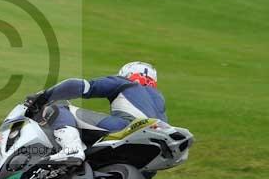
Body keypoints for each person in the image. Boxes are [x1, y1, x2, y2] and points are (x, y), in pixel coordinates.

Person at [24, 62, 167, 166]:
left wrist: (44, 96)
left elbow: (79, 86)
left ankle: (71, 149)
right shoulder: (159, 99)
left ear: (128, 74)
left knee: (59, 107)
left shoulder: (126, 82)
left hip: (126, 128)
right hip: (150, 151)